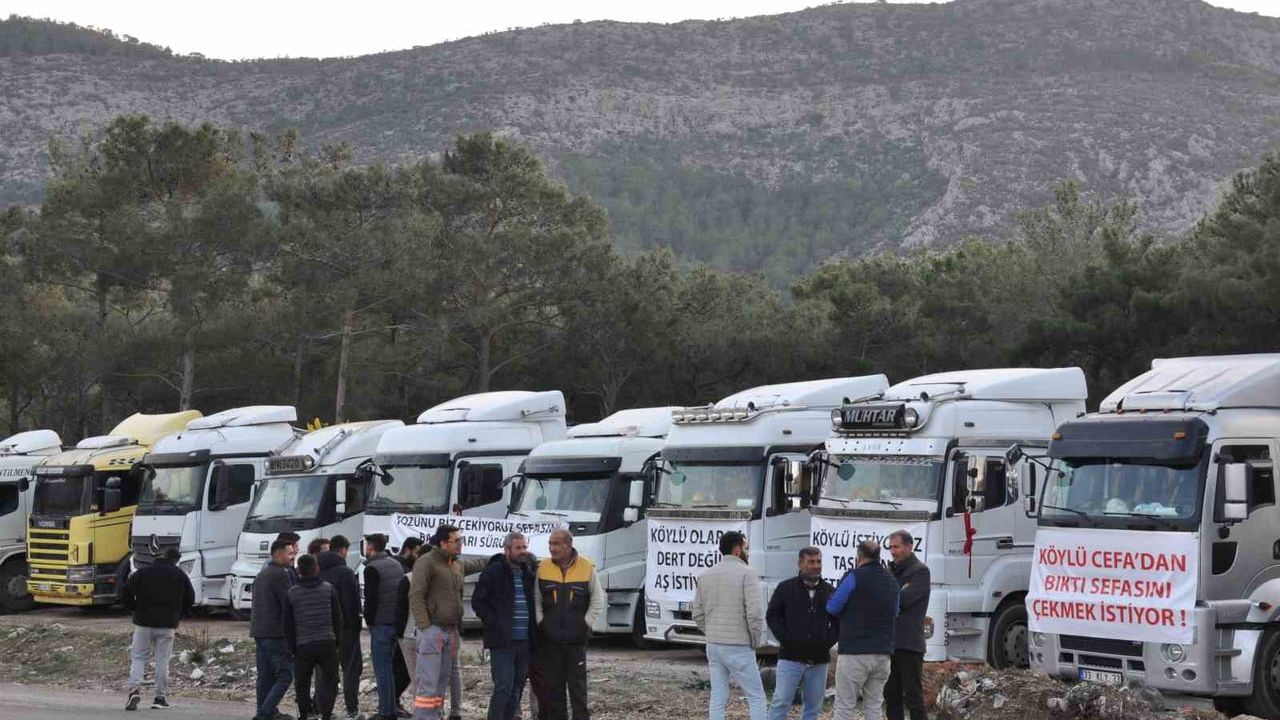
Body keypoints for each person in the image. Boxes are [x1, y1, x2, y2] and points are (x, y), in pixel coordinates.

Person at [408, 524, 486, 720]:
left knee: (442, 682)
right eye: (456, 541)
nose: (460, 544)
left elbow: (475, 564)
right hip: (432, 631)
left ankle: (435, 715)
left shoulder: (456, 564)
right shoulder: (426, 563)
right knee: (428, 682)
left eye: (461, 540)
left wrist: (495, 558)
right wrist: (425, 627)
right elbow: (416, 595)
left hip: (450, 632)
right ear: (443, 543)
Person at [691, 530, 766, 720]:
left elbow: (697, 613)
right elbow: (755, 613)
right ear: (737, 549)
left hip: (714, 644)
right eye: (745, 547)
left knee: (718, 696)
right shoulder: (747, 573)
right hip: (739, 644)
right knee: (756, 696)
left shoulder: (706, 575)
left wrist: (712, 631)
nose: (746, 551)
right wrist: (755, 639)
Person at [533, 529, 603, 720]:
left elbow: (598, 599)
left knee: (578, 689)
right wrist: (542, 622)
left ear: (568, 545)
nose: (551, 548)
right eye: (550, 543)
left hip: (576, 641)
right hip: (551, 641)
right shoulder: (543, 568)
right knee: (554, 689)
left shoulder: (586, 567)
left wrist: (585, 623)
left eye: (556, 544)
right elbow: (537, 599)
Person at [826, 540, 899, 720]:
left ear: (858, 557)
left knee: (844, 707)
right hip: (883, 654)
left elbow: (833, 608)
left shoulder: (853, 577)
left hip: (854, 652)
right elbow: (895, 611)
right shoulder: (891, 580)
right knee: (874, 707)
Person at [765, 547, 837, 720]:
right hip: (791, 657)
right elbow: (772, 616)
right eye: (811, 562)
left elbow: (838, 621)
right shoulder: (786, 588)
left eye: (818, 561)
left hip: (819, 659)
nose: (816, 566)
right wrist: (786, 639)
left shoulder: (829, 590)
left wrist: (826, 641)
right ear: (800, 563)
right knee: (781, 701)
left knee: (814, 706)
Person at [473, 532, 538, 720]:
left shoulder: (528, 573)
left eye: (524, 547)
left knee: (517, 686)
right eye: (518, 548)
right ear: (507, 549)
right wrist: (494, 623)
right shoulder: (494, 572)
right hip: (502, 640)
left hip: (524, 641)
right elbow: (479, 602)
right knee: (503, 686)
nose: (523, 551)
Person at [121, 547, 195, 711]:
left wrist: (133, 608)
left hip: (143, 622)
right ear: (175, 560)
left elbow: (125, 591)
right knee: (162, 660)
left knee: (139, 657)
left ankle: (134, 690)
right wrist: (179, 615)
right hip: (167, 624)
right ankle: (159, 698)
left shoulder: (143, 572)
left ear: (160, 556)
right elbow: (191, 598)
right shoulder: (180, 575)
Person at [286, 554, 344, 720]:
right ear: (316, 569)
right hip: (327, 642)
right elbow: (337, 618)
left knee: (302, 683)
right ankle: (326, 714)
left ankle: (305, 714)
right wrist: (337, 641)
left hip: (303, 645)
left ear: (299, 571)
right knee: (330, 681)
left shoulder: (292, 593)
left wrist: (292, 648)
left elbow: (288, 625)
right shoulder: (328, 589)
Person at [884, 530, 929, 720]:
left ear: (909, 547)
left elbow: (904, 600)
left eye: (897, 547)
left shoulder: (920, 571)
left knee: (913, 697)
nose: (893, 552)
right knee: (891, 695)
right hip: (889, 643)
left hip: (909, 644)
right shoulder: (889, 571)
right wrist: (896, 591)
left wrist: (892, 594)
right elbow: (884, 598)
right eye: (891, 547)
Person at [318, 535, 364, 720]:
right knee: (351, 669)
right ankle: (352, 709)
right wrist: (355, 627)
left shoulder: (317, 569)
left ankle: (324, 710)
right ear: (344, 550)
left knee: (325, 671)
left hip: (321, 629)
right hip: (345, 630)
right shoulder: (344, 572)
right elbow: (351, 604)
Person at [254, 539, 298, 720]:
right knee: (285, 674)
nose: (292, 556)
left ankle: (266, 711)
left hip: (260, 631)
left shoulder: (262, 574)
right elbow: (288, 604)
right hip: (276, 633)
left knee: (265, 676)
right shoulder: (281, 575)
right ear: (278, 555)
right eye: (289, 553)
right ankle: (265, 713)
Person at [365, 533, 407, 720]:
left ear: (371, 548)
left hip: (381, 624)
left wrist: (369, 621)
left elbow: (371, 599)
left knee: (382, 670)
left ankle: (386, 711)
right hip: (396, 624)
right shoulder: (396, 564)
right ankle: (392, 707)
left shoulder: (372, 568)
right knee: (389, 669)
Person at [394, 537, 427, 717]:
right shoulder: (441, 578)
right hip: (431, 635)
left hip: (411, 635)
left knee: (417, 680)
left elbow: (401, 610)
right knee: (431, 680)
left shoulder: (408, 578)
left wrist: (398, 634)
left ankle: (422, 714)